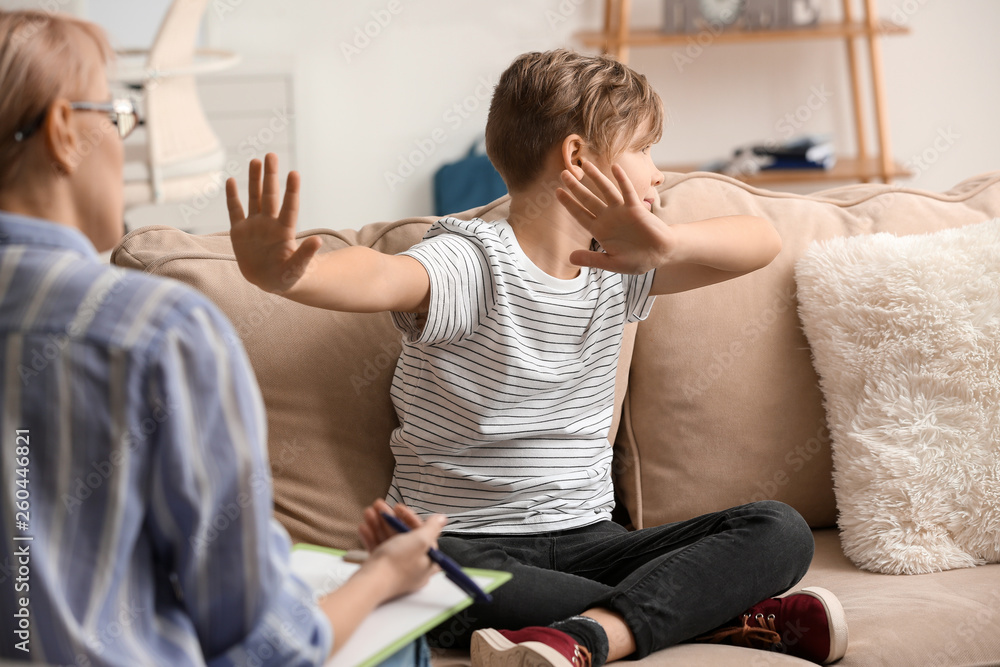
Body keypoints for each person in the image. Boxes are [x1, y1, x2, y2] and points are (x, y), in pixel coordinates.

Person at [227, 49, 849, 666]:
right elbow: (382, 276)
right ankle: (713, 622)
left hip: (593, 542)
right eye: (644, 149)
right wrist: (292, 279)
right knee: (440, 576)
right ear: (578, 156)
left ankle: (589, 635)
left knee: (779, 530)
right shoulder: (472, 260)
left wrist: (666, 242)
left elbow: (760, 243)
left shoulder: (621, 265)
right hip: (469, 544)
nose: (658, 173)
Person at [0, 10, 443, 666]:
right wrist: (384, 576)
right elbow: (266, 643)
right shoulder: (158, 331)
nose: (129, 145)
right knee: (404, 642)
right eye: (119, 115)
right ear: (65, 131)